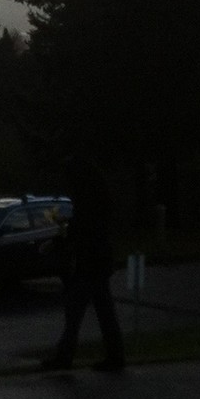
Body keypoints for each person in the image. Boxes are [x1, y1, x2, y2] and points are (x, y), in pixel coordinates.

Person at [41, 156, 126, 373]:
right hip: (99, 260)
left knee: (76, 309)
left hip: (91, 262)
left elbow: (84, 229)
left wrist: (65, 238)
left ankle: (65, 356)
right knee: (102, 309)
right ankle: (115, 355)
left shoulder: (88, 200)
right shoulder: (98, 198)